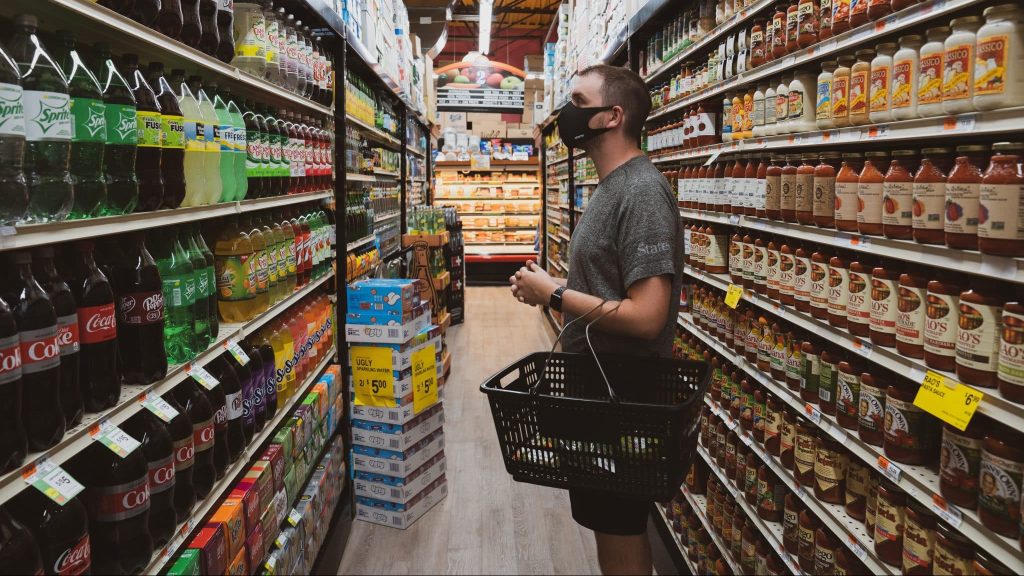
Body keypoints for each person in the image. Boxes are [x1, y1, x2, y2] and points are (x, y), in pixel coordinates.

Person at [509, 64, 684, 576]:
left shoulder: (642, 192)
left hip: (625, 393)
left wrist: (555, 293)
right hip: (601, 386)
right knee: (610, 520)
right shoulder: (609, 187)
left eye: (578, 100)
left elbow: (649, 316)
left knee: (621, 523)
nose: (567, 113)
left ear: (612, 115)